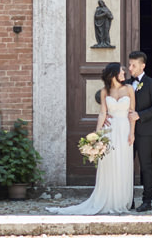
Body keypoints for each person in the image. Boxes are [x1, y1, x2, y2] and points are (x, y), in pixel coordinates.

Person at [47, 62, 135, 215]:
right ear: (114, 73)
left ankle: (120, 201)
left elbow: (132, 112)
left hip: (125, 129)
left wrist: (132, 132)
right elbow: (102, 113)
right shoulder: (104, 92)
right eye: (121, 71)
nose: (124, 73)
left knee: (122, 163)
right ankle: (108, 199)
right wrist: (96, 135)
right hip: (110, 129)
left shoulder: (129, 89)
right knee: (110, 164)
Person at [127, 50, 152, 212]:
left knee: (145, 166)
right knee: (126, 167)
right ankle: (128, 200)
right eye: (129, 64)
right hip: (127, 132)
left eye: (133, 65)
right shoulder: (126, 84)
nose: (130, 68)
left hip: (145, 131)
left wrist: (139, 115)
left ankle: (147, 201)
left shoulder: (151, 84)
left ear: (143, 66)